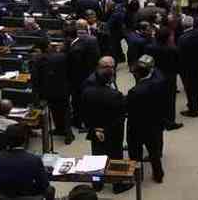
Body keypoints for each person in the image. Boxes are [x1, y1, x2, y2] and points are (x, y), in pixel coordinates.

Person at [81, 57, 131, 194]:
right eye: (107, 67)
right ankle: (118, 185)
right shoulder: (114, 95)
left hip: (95, 128)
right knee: (115, 156)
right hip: (113, 129)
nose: (111, 69)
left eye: (112, 66)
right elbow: (121, 111)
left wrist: (93, 127)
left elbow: (84, 110)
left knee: (97, 155)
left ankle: (97, 184)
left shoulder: (88, 90)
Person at [126, 55, 166, 183]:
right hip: (154, 123)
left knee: (135, 152)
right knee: (154, 152)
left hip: (137, 125)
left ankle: (138, 176)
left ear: (137, 74)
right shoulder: (159, 81)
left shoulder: (134, 91)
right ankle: (158, 175)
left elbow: (128, 107)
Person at [0, 124, 54, 199]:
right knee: (50, 189)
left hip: (4, 195)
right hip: (29, 195)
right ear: (24, 139)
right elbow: (44, 184)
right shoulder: (34, 160)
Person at [32, 43, 74, 144]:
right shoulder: (61, 57)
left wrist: (38, 92)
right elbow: (70, 71)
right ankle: (68, 134)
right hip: (62, 89)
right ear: (47, 48)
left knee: (54, 110)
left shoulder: (37, 60)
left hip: (48, 91)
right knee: (65, 111)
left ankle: (59, 129)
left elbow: (35, 78)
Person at [177, 15, 198, 117]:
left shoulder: (182, 39)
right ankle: (196, 105)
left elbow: (180, 55)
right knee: (196, 85)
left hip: (186, 67)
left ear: (183, 25)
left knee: (189, 87)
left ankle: (193, 109)